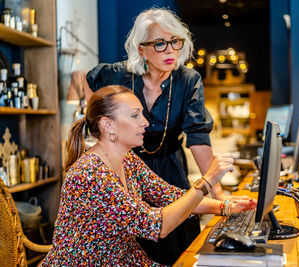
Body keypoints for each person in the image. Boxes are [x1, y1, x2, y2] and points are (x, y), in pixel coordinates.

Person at [85, 8, 254, 265]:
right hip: (124, 168)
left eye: (175, 42)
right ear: (141, 49)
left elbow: (198, 138)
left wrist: (221, 199)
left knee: (178, 244)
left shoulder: (187, 80)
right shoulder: (116, 75)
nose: (170, 51)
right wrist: (103, 133)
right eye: (160, 44)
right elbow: (87, 80)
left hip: (168, 166)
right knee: (135, 243)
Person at [41, 85, 256, 266]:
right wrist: (207, 180)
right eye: (135, 116)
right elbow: (156, 225)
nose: (145, 122)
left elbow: (170, 195)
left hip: (123, 259)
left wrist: (224, 207)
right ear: (108, 125)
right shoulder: (89, 174)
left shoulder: (127, 159)